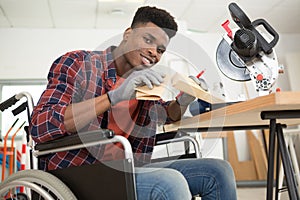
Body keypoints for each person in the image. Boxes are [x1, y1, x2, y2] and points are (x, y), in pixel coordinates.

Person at [29, 6, 237, 200]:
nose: (154, 52)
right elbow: (40, 125)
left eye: (161, 50)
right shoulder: (78, 64)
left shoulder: (145, 83)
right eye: (148, 40)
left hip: (126, 167)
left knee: (218, 171)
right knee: (170, 183)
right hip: (79, 171)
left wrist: (183, 100)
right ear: (128, 34)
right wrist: (112, 98)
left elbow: (168, 114)